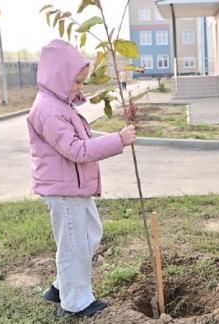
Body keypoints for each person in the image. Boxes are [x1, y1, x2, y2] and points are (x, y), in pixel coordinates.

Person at [26, 39, 136, 317]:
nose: (79, 88)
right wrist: (118, 141)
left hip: (73, 188)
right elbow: (76, 150)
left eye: (81, 82)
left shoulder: (60, 104)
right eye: (76, 82)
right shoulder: (49, 110)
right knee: (74, 244)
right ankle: (76, 302)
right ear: (58, 77)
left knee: (89, 235)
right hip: (63, 190)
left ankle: (61, 286)